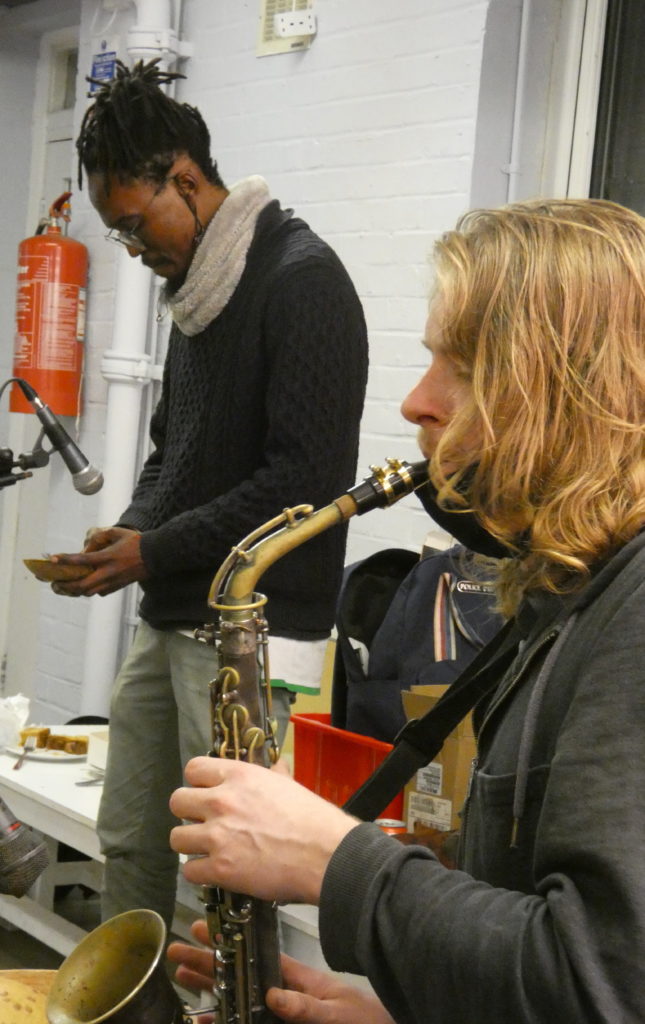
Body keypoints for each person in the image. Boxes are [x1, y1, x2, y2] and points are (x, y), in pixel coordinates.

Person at [168, 198, 645, 1023]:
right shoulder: (578, 594)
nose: (416, 403)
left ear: (571, 385)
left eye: (459, 364)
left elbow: (597, 985)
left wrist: (331, 860)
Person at [51, 59, 368, 932]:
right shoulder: (195, 294)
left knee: (226, 875)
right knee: (130, 837)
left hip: (253, 639)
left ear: (183, 179)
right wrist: (128, 534)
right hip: (175, 613)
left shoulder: (301, 282)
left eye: (134, 224)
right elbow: (172, 454)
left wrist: (154, 549)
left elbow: (303, 483)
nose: (132, 247)